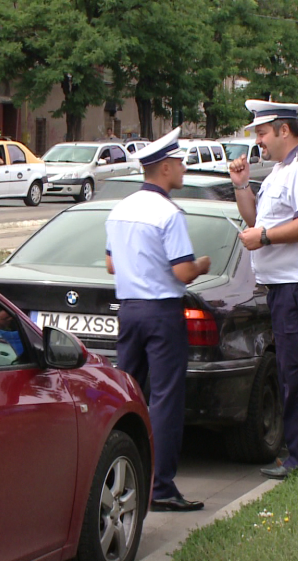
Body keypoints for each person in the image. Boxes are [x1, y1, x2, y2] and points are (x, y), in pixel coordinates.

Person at [228, 100, 298, 479]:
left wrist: (266, 237)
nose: (257, 141)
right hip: (288, 286)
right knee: (297, 371)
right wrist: (242, 186)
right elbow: (257, 218)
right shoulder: (281, 171)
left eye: (261, 133)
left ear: (283, 130)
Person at [105, 127, 211, 511]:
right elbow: (182, 273)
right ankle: (162, 486)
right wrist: (201, 264)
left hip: (129, 310)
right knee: (165, 398)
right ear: (165, 168)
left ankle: (121, 474)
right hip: (162, 313)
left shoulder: (120, 209)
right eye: (180, 163)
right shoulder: (168, 213)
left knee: (128, 395)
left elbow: (111, 264)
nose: (183, 168)